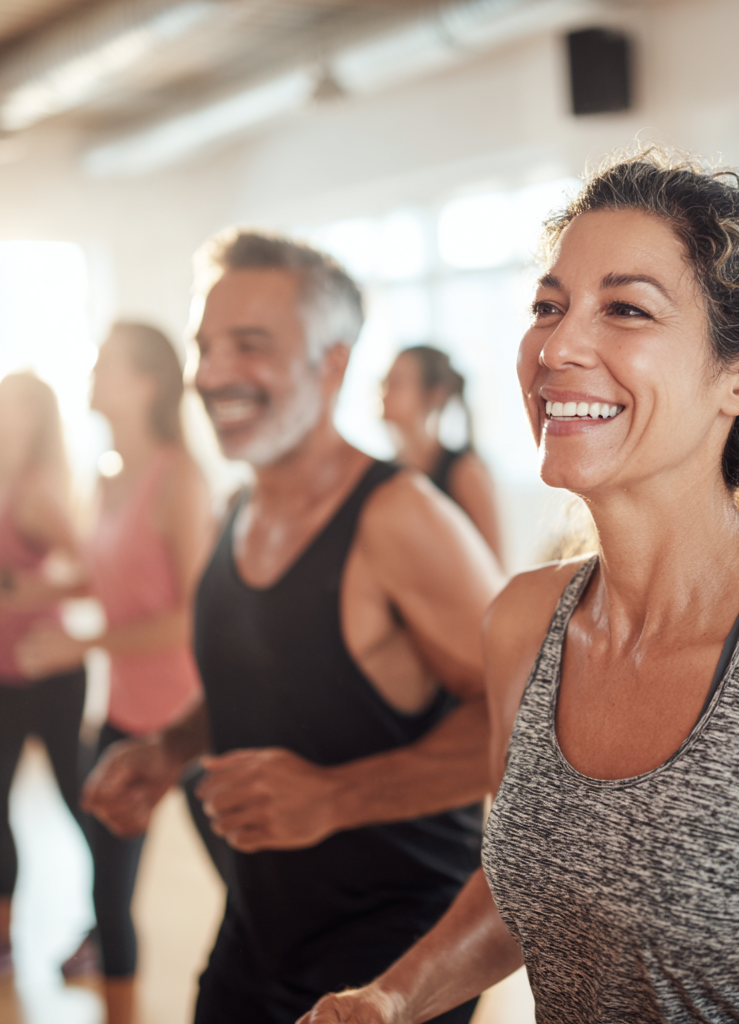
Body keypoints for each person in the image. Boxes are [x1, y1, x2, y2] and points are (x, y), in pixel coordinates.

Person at [300, 151, 739, 1024]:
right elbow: (535, 878)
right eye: (548, 306)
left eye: (627, 309)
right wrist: (390, 997)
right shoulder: (523, 624)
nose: (557, 347)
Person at [81, 232, 504, 1024]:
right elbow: (272, 680)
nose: (211, 374)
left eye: (251, 345)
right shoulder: (240, 508)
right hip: (258, 930)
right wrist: (173, 748)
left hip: (393, 958)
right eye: (205, 347)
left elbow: (527, 725)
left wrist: (337, 796)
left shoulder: (401, 518)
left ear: (332, 364)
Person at [18, 322, 213, 1024]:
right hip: (122, 718)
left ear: (147, 384)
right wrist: (35, 597)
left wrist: (82, 646)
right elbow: (104, 580)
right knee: (107, 896)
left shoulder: (180, 478)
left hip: (191, 724)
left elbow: (191, 614)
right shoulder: (106, 477)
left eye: (106, 365)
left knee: (246, 888)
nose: (92, 376)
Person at [0, 372, 86, 979]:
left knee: (78, 796)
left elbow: (90, 567)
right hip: (3, 674)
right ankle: (4, 938)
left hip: (50, 670)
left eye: (17, 409)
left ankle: (105, 922)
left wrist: (34, 587)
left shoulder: (34, 494)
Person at [381, 346, 502, 562]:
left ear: (434, 395)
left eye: (396, 383)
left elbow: (496, 568)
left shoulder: (466, 471)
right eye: (384, 382)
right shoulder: (383, 472)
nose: (383, 391)